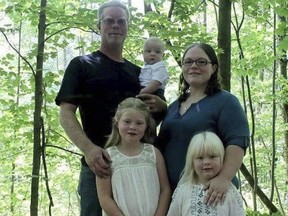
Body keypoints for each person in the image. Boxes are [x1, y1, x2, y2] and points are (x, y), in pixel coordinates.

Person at [55, 1, 166, 215]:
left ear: (127, 27)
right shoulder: (82, 65)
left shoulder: (141, 74)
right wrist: (89, 150)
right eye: (109, 21)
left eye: (121, 21)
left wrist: (163, 105)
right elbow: (66, 112)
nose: (115, 25)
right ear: (99, 25)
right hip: (99, 167)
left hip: (139, 168)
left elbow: (156, 115)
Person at [156, 43, 249, 207]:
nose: (193, 66)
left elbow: (237, 142)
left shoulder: (226, 102)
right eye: (188, 62)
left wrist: (223, 178)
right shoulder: (173, 106)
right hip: (175, 196)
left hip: (210, 194)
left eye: (201, 62)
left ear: (213, 67)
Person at [96, 97, 171, 216]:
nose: (132, 127)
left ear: (146, 126)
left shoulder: (153, 153)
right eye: (127, 121)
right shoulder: (107, 157)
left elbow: (165, 190)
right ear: (117, 122)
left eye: (139, 123)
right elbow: (104, 197)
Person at [167, 131, 245, 216]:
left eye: (212, 156)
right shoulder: (182, 191)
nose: (206, 162)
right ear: (192, 161)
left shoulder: (230, 192)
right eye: (200, 158)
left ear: (221, 159)